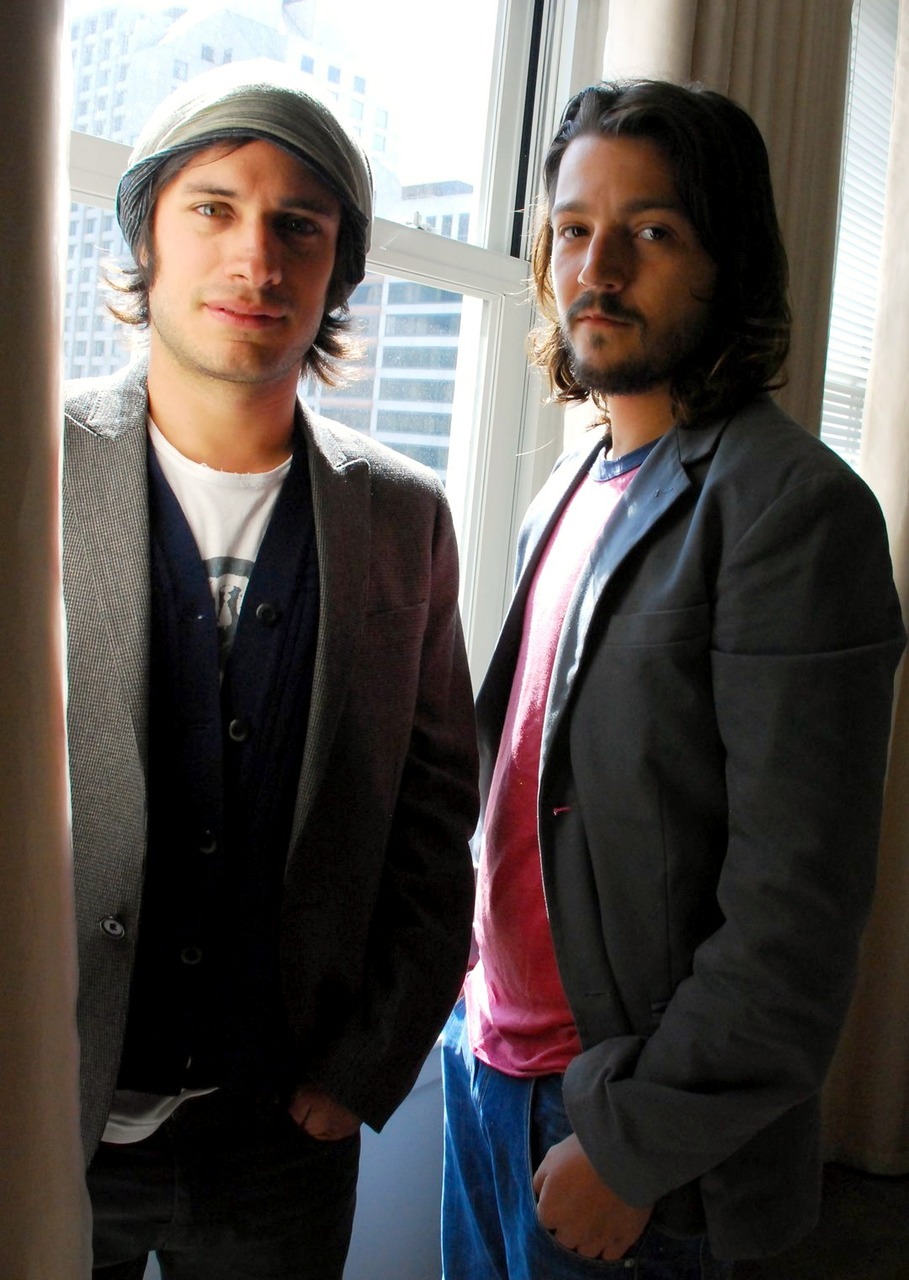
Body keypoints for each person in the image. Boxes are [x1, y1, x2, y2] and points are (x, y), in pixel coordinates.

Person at [440, 79, 905, 1279]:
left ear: (726, 260)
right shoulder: (565, 487)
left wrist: (630, 1143)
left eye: (650, 230)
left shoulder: (795, 509)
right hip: (486, 1069)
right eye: (573, 228)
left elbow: (795, 914)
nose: (596, 266)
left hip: (623, 1132)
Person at [63, 61, 479, 1279]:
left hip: (281, 1139)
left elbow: (434, 815)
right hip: (49, 1111)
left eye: (300, 224)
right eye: (214, 208)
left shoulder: (404, 515)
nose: (256, 256)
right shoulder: (27, 462)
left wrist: (370, 1060)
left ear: (338, 269)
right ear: (147, 231)